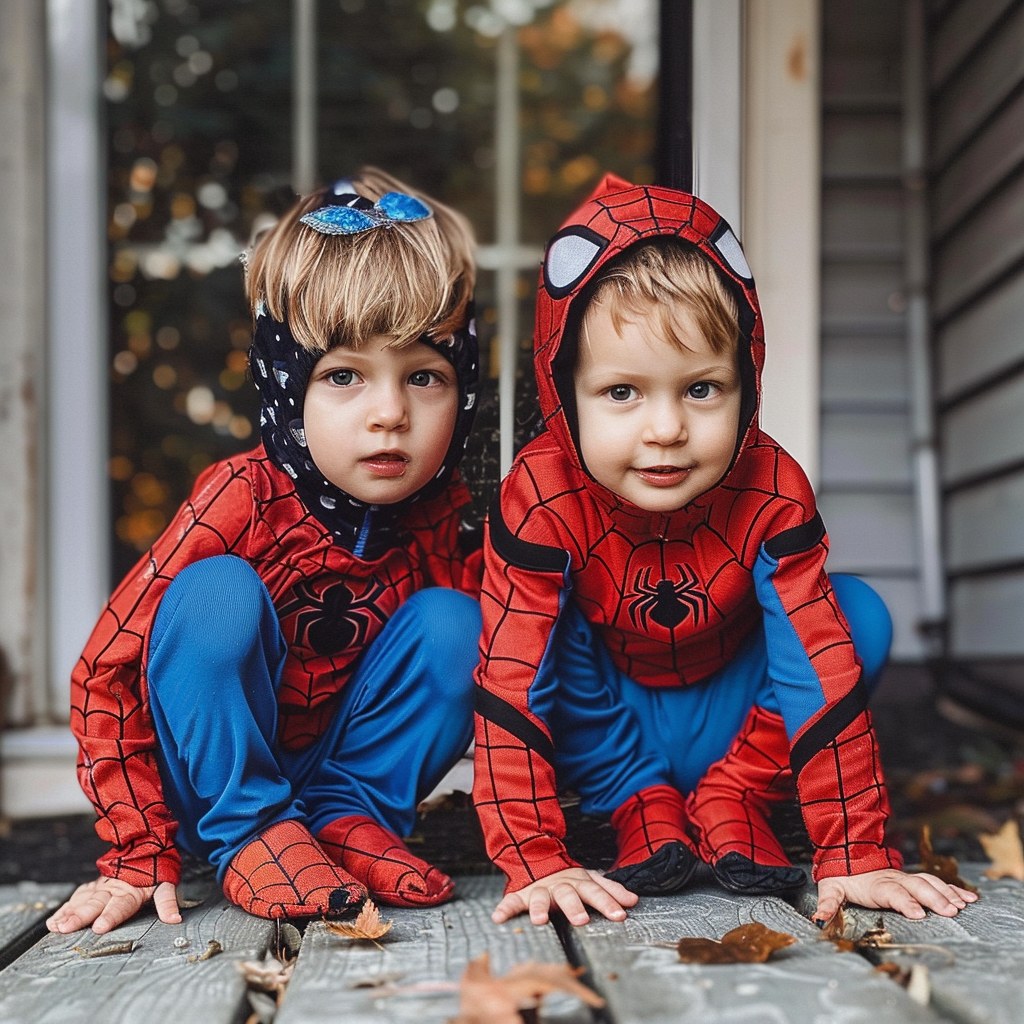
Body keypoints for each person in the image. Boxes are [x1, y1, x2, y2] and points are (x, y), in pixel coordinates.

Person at [472, 174, 978, 928]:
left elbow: (817, 664)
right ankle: (635, 801)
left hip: (737, 723)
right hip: (610, 723)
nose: (667, 428)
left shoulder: (772, 486)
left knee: (856, 615)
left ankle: (732, 797)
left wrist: (854, 851)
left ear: (747, 380)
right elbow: (512, 682)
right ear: (562, 389)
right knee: (529, 631)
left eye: (702, 389)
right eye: (622, 393)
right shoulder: (539, 493)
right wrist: (533, 858)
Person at [48, 167, 483, 935]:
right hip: (213, 785)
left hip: (342, 779)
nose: (391, 413)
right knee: (216, 593)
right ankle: (249, 829)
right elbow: (103, 672)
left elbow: (493, 675)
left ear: (465, 386)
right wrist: (136, 848)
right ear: (286, 387)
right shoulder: (242, 497)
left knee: (464, 624)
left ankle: (348, 820)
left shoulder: (442, 513)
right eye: (344, 375)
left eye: (425, 376)